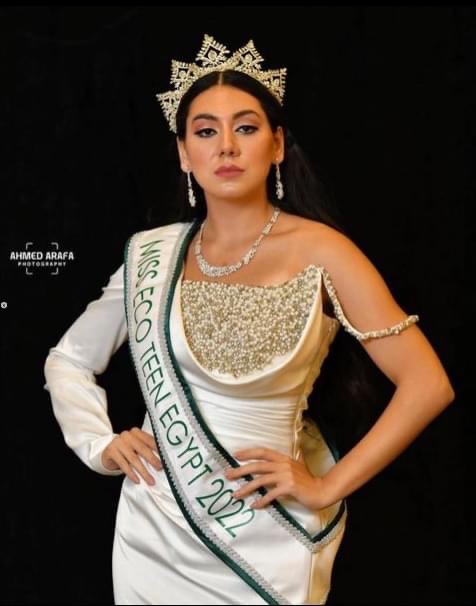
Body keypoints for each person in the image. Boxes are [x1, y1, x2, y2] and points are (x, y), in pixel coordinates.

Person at [43, 34, 455, 605]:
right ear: (184, 154)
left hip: (269, 536)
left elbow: (428, 383)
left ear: (277, 144)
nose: (227, 147)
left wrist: (327, 486)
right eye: (205, 132)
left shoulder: (324, 252)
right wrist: (99, 443)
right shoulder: (152, 255)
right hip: (157, 525)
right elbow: (67, 360)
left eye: (246, 127)